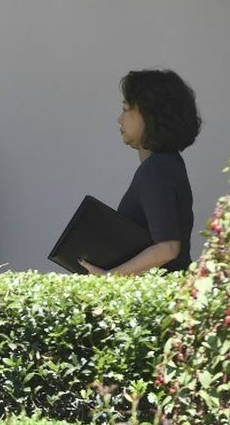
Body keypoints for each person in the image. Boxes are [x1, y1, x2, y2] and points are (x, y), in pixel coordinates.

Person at [79, 69, 201, 276]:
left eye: (126, 109)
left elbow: (168, 247)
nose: (120, 119)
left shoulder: (158, 169)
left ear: (150, 115)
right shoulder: (164, 165)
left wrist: (109, 278)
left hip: (163, 290)